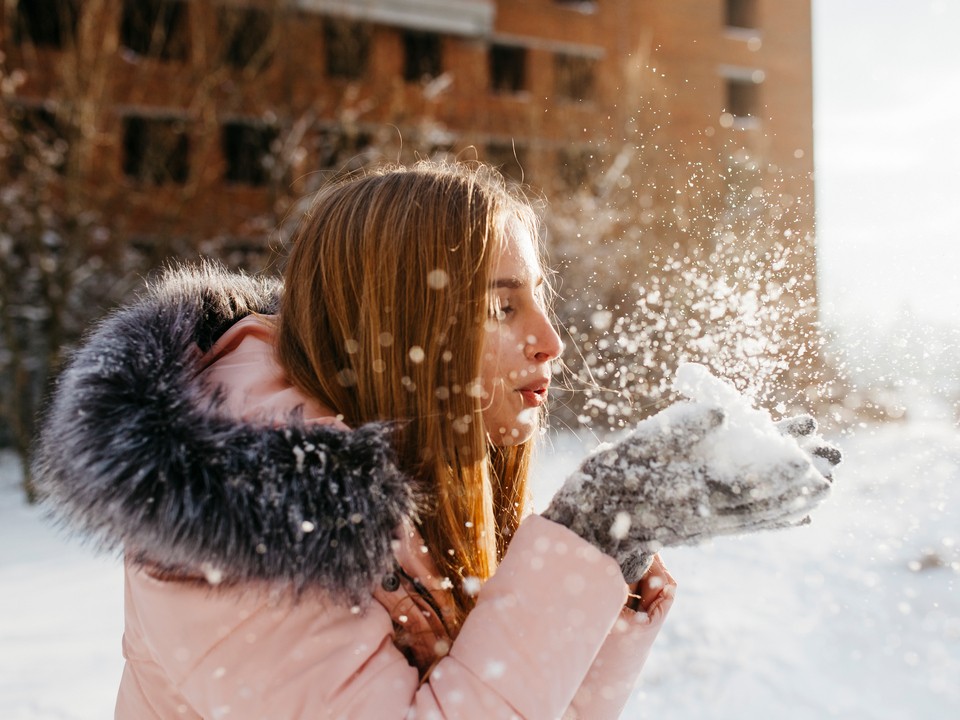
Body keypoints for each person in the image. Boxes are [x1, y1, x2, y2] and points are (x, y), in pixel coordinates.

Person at [32, 161, 838, 719]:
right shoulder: (240, 530)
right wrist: (589, 525)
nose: (551, 341)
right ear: (399, 328)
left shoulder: (394, 484)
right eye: (500, 307)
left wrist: (613, 555)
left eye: (540, 301)